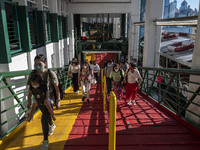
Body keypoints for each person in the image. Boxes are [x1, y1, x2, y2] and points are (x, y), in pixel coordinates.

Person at [27, 54, 60, 150]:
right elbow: (30, 89)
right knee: (46, 114)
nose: (37, 65)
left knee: (44, 117)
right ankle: (52, 125)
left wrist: (58, 100)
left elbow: (56, 88)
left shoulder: (50, 73)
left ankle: (45, 141)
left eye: (39, 63)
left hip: (49, 99)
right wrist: (29, 101)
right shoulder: (32, 74)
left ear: (45, 64)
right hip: (37, 99)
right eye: (35, 64)